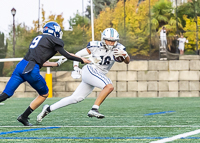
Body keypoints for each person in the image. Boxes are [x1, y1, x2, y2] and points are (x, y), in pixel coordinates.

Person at [0, 21, 90, 126]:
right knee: (44, 93)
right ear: (55, 31)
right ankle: (24, 116)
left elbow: (39, 60)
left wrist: (56, 64)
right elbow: (68, 55)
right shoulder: (54, 40)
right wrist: (83, 60)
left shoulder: (39, 39)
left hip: (21, 66)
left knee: (5, 94)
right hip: (31, 70)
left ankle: (23, 117)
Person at [37, 28, 130, 122]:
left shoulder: (120, 48)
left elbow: (127, 61)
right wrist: (76, 67)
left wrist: (125, 55)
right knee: (109, 86)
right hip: (90, 70)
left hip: (97, 75)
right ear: (103, 39)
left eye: (113, 41)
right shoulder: (95, 46)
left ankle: (48, 109)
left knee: (76, 98)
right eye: (108, 40)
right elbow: (78, 54)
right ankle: (94, 109)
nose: (110, 43)